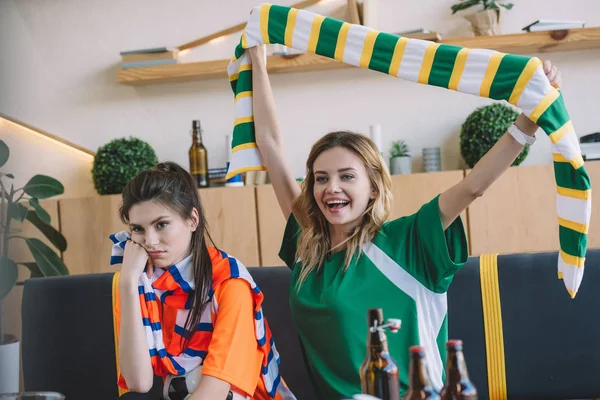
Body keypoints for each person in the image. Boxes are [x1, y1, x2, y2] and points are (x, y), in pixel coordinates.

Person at [248, 44, 561, 399]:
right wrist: (257, 58)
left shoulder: (407, 242)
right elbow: (270, 145)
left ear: (372, 188)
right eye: (321, 178)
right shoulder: (309, 246)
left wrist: (529, 119)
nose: (331, 187)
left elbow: (473, 187)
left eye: (347, 176)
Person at [111, 161, 296, 400]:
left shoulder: (230, 282)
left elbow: (216, 391)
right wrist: (127, 283)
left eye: (162, 224)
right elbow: (138, 382)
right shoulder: (138, 283)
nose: (150, 241)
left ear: (192, 220)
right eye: (138, 229)